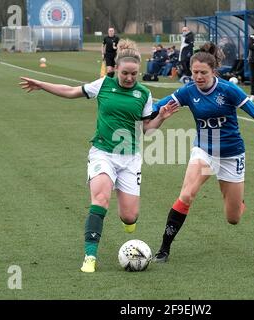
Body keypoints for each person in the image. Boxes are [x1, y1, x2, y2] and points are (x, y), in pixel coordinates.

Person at [19, 40, 178, 273]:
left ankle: (128, 223)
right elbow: (72, 91)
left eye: (134, 74)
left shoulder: (144, 93)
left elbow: (146, 129)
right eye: (125, 73)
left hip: (130, 158)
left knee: (130, 215)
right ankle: (90, 256)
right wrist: (42, 84)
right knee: (100, 199)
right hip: (102, 152)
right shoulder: (104, 84)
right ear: (116, 69)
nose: (129, 78)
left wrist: (161, 117)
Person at [151, 42, 254, 263]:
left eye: (203, 73)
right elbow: (159, 105)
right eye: (194, 72)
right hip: (204, 151)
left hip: (232, 154)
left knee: (233, 218)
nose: (198, 77)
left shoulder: (228, 90)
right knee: (187, 194)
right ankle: (164, 249)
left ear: (214, 72)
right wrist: (141, 111)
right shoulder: (188, 91)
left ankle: (239, 202)